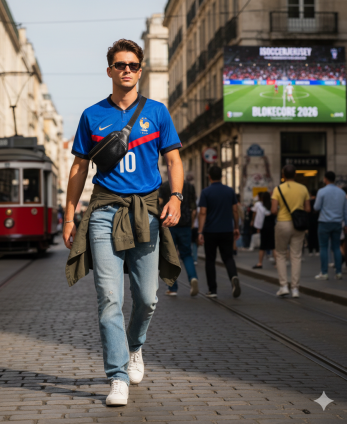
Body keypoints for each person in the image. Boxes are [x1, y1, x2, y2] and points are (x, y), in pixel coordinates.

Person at [62, 39, 182, 407]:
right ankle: (117, 377)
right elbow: (80, 167)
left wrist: (175, 197)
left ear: (140, 70)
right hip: (102, 212)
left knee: (146, 298)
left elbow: (175, 161)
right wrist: (69, 216)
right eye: (119, 64)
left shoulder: (158, 113)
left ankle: (135, 347)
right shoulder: (92, 115)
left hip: (145, 211)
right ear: (110, 70)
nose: (126, 70)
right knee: (110, 298)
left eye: (132, 64)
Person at [197, 165, 241, 299]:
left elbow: (203, 212)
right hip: (227, 230)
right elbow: (235, 210)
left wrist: (200, 232)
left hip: (211, 231)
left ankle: (213, 290)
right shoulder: (229, 191)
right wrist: (236, 227)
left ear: (209, 177)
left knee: (210, 260)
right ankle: (233, 277)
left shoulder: (206, 192)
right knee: (228, 257)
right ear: (221, 176)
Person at [271, 164, 310, 298]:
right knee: (296, 256)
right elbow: (308, 209)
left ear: (283, 175)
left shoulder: (278, 189)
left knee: (281, 255)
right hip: (298, 225)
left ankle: (283, 286)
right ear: (295, 174)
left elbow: (273, 210)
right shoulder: (303, 188)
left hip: (283, 223)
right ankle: (295, 289)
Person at [159, 174, 198, 297]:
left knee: (170, 256)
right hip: (185, 224)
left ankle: (172, 287)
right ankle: (193, 278)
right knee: (187, 255)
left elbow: (159, 203)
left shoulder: (164, 186)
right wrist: (191, 224)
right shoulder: (190, 187)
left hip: (169, 225)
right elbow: (194, 209)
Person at [314, 171, 347, 280]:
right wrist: (346, 224)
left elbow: (316, 207)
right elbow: (345, 211)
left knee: (323, 247)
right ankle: (338, 272)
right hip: (337, 223)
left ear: (325, 179)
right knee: (337, 247)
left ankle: (324, 273)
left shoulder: (321, 191)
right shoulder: (342, 192)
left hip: (324, 223)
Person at [252, 191, 276, 269]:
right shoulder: (272, 205)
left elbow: (258, 217)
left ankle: (260, 263)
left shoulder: (259, 205)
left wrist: (257, 227)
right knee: (273, 246)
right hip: (272, 227)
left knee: (262, 246)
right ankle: (278, 263)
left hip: (264, 227)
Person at [306, 189, 321, 256]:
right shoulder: (318, 202)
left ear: (311, 194)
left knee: (310, 236)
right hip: (318, 220)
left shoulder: (308, 202)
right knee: (317, 235)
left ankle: (310, 250)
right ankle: (317, 250)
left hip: (309, 220)